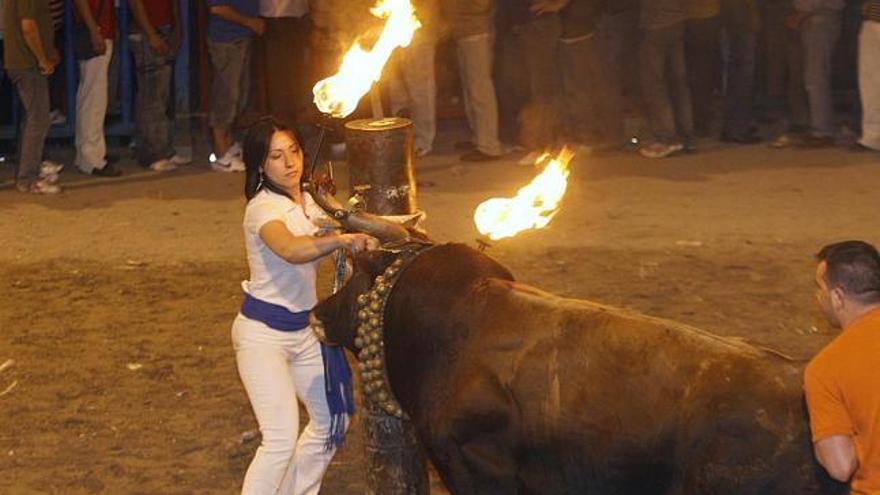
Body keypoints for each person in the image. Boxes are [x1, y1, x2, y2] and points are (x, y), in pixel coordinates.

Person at [233, 117, 377, 495]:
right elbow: (292, 250)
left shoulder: (308, 201)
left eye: (293, 151)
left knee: (333, 420)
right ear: (260, 165)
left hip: (305, 331)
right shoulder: (262, 210)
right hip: (263, 337)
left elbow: (332, 224)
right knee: (279, 440)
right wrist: (341, 240)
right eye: (276, 156)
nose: (289, 162)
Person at [805, 240, 880, 492]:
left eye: (819, 288)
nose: (817, 297)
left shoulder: (826, 368)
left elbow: (840, 466)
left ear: (837, 296)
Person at [4, 0, 61, 193]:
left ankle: (27, 172)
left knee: (32, 118)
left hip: (21, 61)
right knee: (38, 119)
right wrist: (42, 58)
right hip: (27, 63)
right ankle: (28, 177)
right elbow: (28, 27)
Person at [128, 0, 187, 172]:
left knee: (160, 95)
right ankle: (152, 154)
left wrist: (176, 24)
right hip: (149, 31)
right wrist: (150, 33)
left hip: (162, 27)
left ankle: (163, 149)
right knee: (151, 95)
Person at [441, 0, 503, 162]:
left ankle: (489, 146)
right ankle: (479, 138)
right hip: (465, 31)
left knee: (480, 88)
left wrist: (457, 12)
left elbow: (481, 4)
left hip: (476, 31)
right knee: (471, 88)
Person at [206, 0, 264, 172]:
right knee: (226, 95)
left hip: (241, 37)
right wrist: (250, 22)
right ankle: (221, 153)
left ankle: (228, 142)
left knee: (239, 94)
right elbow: (217, 8)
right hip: (226, 40)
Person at [638, 0, 694, 159]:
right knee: (678, 80)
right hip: (678, 19)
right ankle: (686, 135)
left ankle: (665, 137)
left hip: (656, 21)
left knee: (654, 82)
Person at [73, 0, 122, 177]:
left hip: (95, 28)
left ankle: (86, 154)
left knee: (90, 95)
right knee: (95, 98)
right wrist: (94, 30)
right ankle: (92, 157)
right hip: (97, 29)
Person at [788, 0, 845, 147]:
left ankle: (822, 131)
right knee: (815, 74)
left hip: (818, 17)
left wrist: (801, 12)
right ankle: (819, 126)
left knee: (815, 76)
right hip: (818, 16)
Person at [854, 0, 880, 152]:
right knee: (870, 82)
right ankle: (872, 135)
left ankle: (873, 135)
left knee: (872, 81)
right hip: (872, 19)